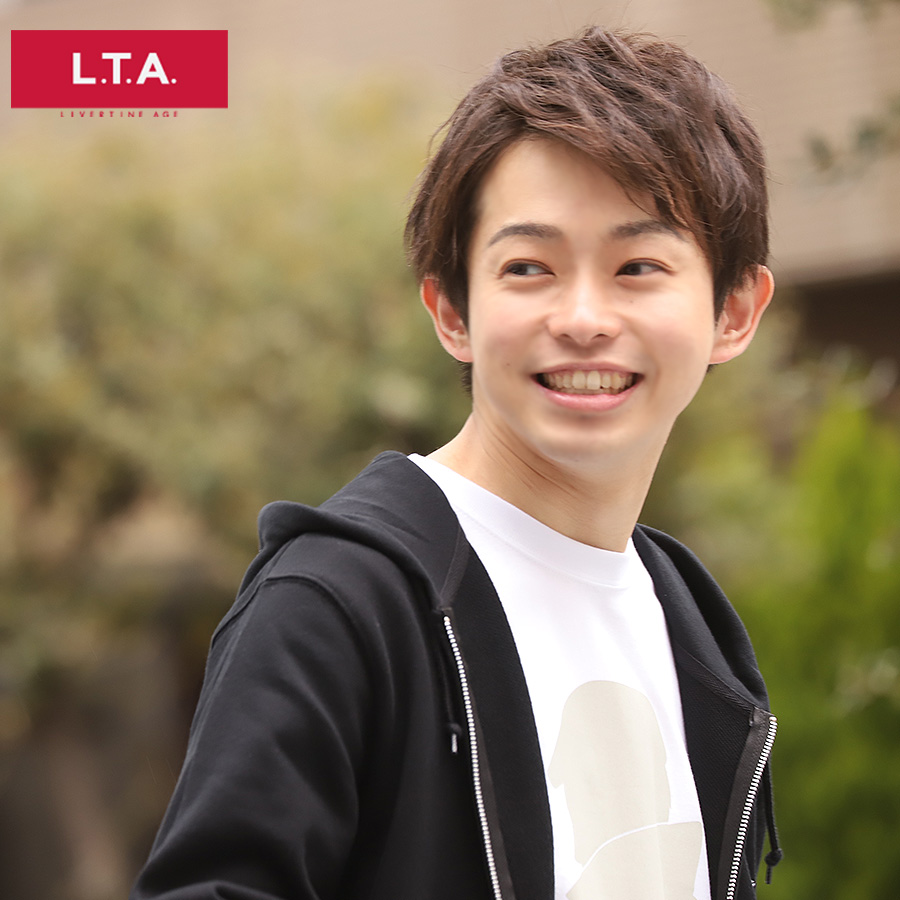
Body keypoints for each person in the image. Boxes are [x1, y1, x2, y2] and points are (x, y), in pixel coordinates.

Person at [131, 26, 781, 900]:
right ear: (451, 312)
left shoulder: (690, 624)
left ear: (733, 312)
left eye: (637, 265)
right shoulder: (337, 605)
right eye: (529, 267)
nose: (583, 318)